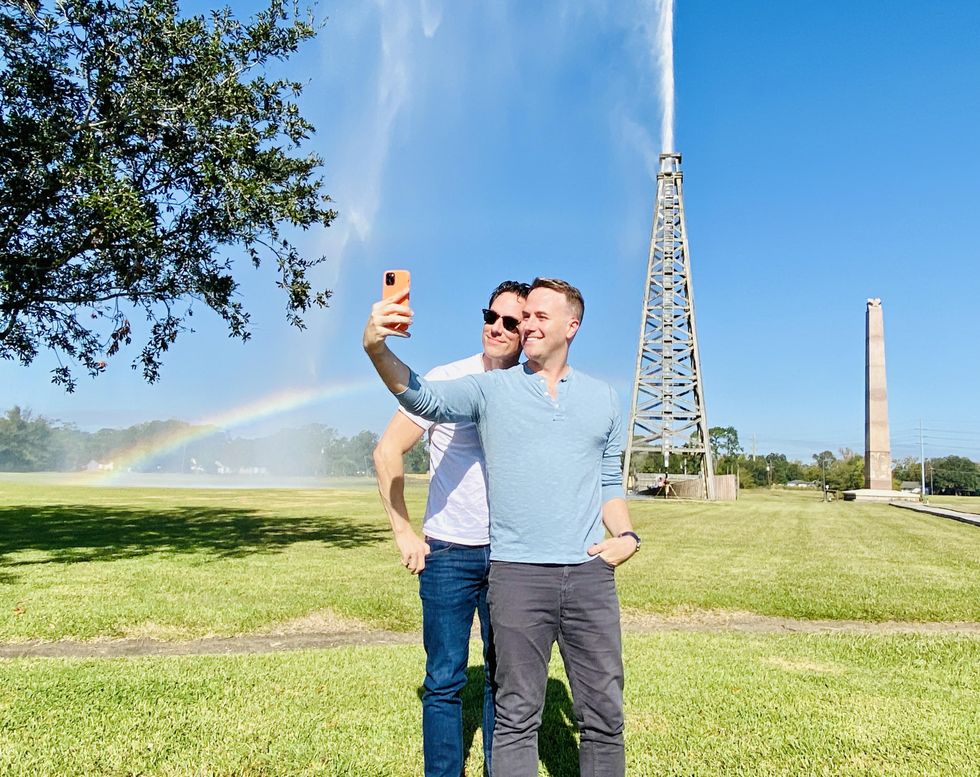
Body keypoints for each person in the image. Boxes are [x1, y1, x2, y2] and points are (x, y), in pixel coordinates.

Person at [364, 277, 640, 777]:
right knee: (491, 703)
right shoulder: (486, 387)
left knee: (595, 713)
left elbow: (607, 479)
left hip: (568, 569)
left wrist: (627, 537)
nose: (517, 326)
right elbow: (421, 399)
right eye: (513, 316)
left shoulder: (602, 398)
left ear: (571, 326)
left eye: (533, 317)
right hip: (489, 564)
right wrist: (375, 347)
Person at [373, 280, 529, 777]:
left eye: (511, 322)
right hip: (447, 555)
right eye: (491, 316)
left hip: (509, 555)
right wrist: (402, 531)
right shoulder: (447, 378)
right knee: (443, 680)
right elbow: (386, 451)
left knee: (502, 680)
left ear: (528, 331)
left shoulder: (530, 388)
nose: (497, 328)